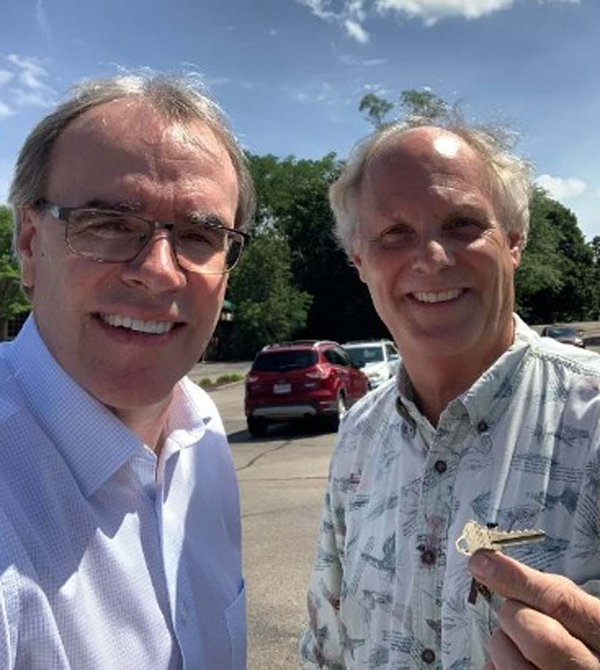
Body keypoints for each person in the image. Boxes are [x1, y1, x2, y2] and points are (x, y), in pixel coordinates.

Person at [300, 119, 600, 668]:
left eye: (462, 224)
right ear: (359, 263)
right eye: (394, 234)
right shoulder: (359, 433)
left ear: (513, 243)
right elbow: (329, 649)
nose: (432, 256)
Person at [0, 72, 255, 669]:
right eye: (110, 224)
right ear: (31, 245)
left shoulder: (202, 431)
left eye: (198, 235)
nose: (160, 271)